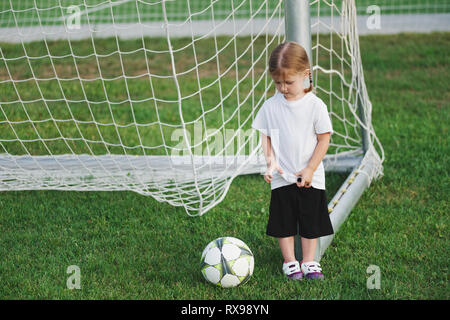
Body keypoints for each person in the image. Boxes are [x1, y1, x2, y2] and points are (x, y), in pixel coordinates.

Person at [251, 41, 334, 280]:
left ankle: (309, 261)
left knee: (311, 220)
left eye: (289, 82)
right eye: (278, 82)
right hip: (282, 175)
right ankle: (290, 262)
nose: (283, 87)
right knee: (283, 220)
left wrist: (309, 169)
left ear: (305, 75)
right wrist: (270, 162)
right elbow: (265, 135)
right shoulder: (270, 106)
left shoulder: (315, 105)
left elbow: (323, 139)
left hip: (310, 176)